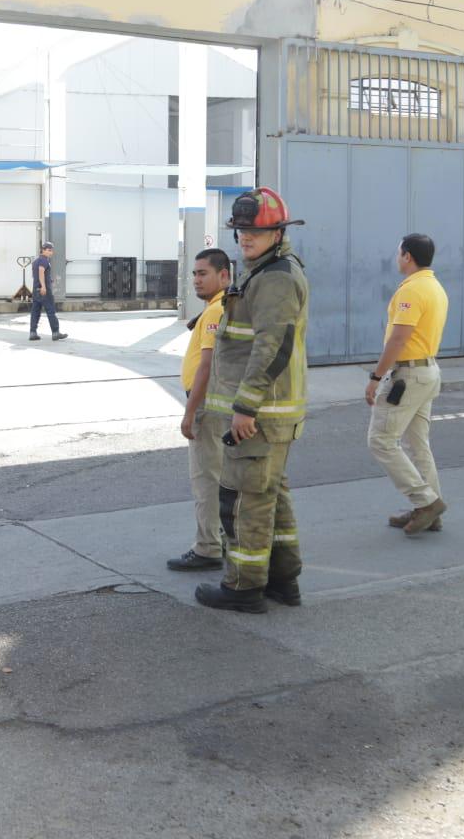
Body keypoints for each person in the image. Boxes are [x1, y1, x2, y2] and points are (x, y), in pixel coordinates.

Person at [195, 189, 309, 613]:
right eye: (241, 230)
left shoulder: (276, 277)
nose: (245, 237)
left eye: (255, 232)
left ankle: (243, 587)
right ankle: (282, 581)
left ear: (278, 233)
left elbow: (271, 346)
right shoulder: (265, 271)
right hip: (269, 413)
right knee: (269, 497)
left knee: (245, 502)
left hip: (259, 415)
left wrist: (245, 407)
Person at [366, 233, 450, 537]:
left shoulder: (412, 290)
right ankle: (429, 511)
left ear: (407, 256)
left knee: (380, 440)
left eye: (399, 252)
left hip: (408, 376)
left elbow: (398, 339)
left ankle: (426, 503)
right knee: (417, 445)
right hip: (428, 372)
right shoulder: (435, 287)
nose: (397, 257)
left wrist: (376, 377)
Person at [167, 248, 233, 572]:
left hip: (206, 405)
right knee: (217, 477)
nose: (196, 279)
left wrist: (189, 412)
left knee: (206, 479)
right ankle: (220, 539)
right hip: (213, 403)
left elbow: (206, 366)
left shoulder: (216, 310)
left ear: (224, 275)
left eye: (203, 273)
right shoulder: (220, 306)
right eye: (194, 273)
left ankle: (208, 548)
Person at [28, 241, 67, 342]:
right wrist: (44, 286)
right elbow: (41, 271)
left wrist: (48, 280)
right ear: (43, 250)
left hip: (36, 290)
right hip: (44, 291)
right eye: (49, 250)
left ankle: (33, 333)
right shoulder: (44, 260)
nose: (51, 252)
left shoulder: (36, 261)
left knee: (35, 311)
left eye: (51, 250)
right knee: (50, 311)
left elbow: (36, 275)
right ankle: (55, 332)